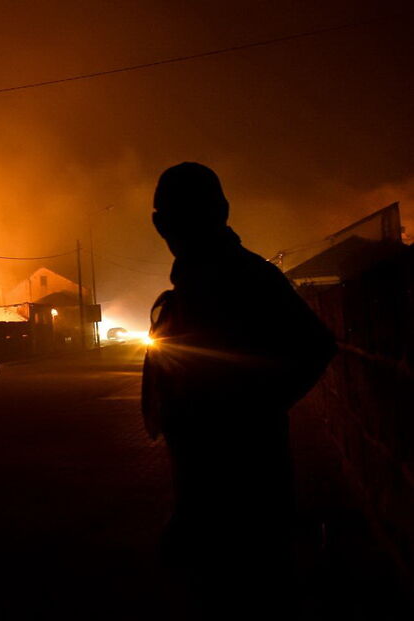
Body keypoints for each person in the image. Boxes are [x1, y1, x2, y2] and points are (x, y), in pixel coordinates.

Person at [141, 162, 336, 613]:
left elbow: (315, 345)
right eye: (174, 213)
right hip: (212, 496)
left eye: (188, 212)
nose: (177, 225)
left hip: (248, 500)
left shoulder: (244, 278)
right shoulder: (195, 285)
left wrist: (248, 412)